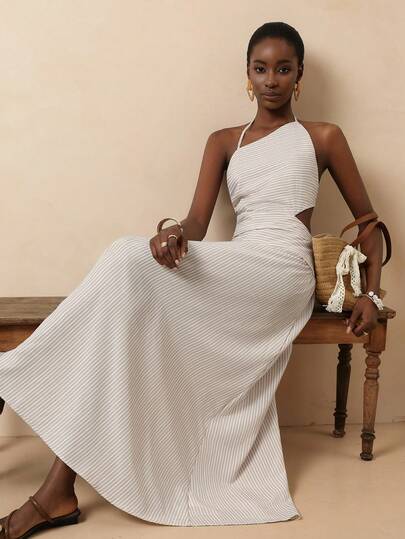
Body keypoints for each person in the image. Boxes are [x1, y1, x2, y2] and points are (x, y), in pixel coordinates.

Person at [0, 21, 385, 536]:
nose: (271, 79)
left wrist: (371, 292)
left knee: (125, 261)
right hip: (240, 260)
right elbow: (197, 223)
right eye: (261, 69)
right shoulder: (223, 142)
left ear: (300, 76)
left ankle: (16, 376)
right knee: (130, 278)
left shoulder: (323, 137)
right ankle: (57, 488)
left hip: (282, 273)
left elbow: (368, 222)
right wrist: (174, 234)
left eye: (283, 69)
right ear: (247, 74)